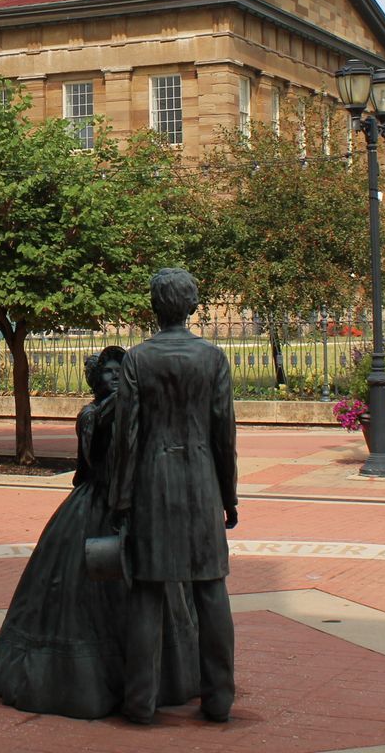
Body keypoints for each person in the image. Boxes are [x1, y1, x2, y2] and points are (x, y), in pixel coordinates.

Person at [0, 346, 196, 719]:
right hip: (94, 506)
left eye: (120, 370)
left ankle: (151, 677)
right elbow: (92, 453)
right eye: (108, 371)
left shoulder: (138, 411)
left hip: (136, 509)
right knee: (80, 590)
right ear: (96, 379)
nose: (114, 376)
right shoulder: (92, 414)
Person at [112, 268, 238, 725]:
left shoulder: (137, 359)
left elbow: (127, 438)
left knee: (147, 592)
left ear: (154, 306)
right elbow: (224, 433)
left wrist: (120, 501)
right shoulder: (213, 358)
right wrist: (229, 495)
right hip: (201, 479)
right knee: (210, 590)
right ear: (192, 305)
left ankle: (140, 703)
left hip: (151, 482)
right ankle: (219, 698)